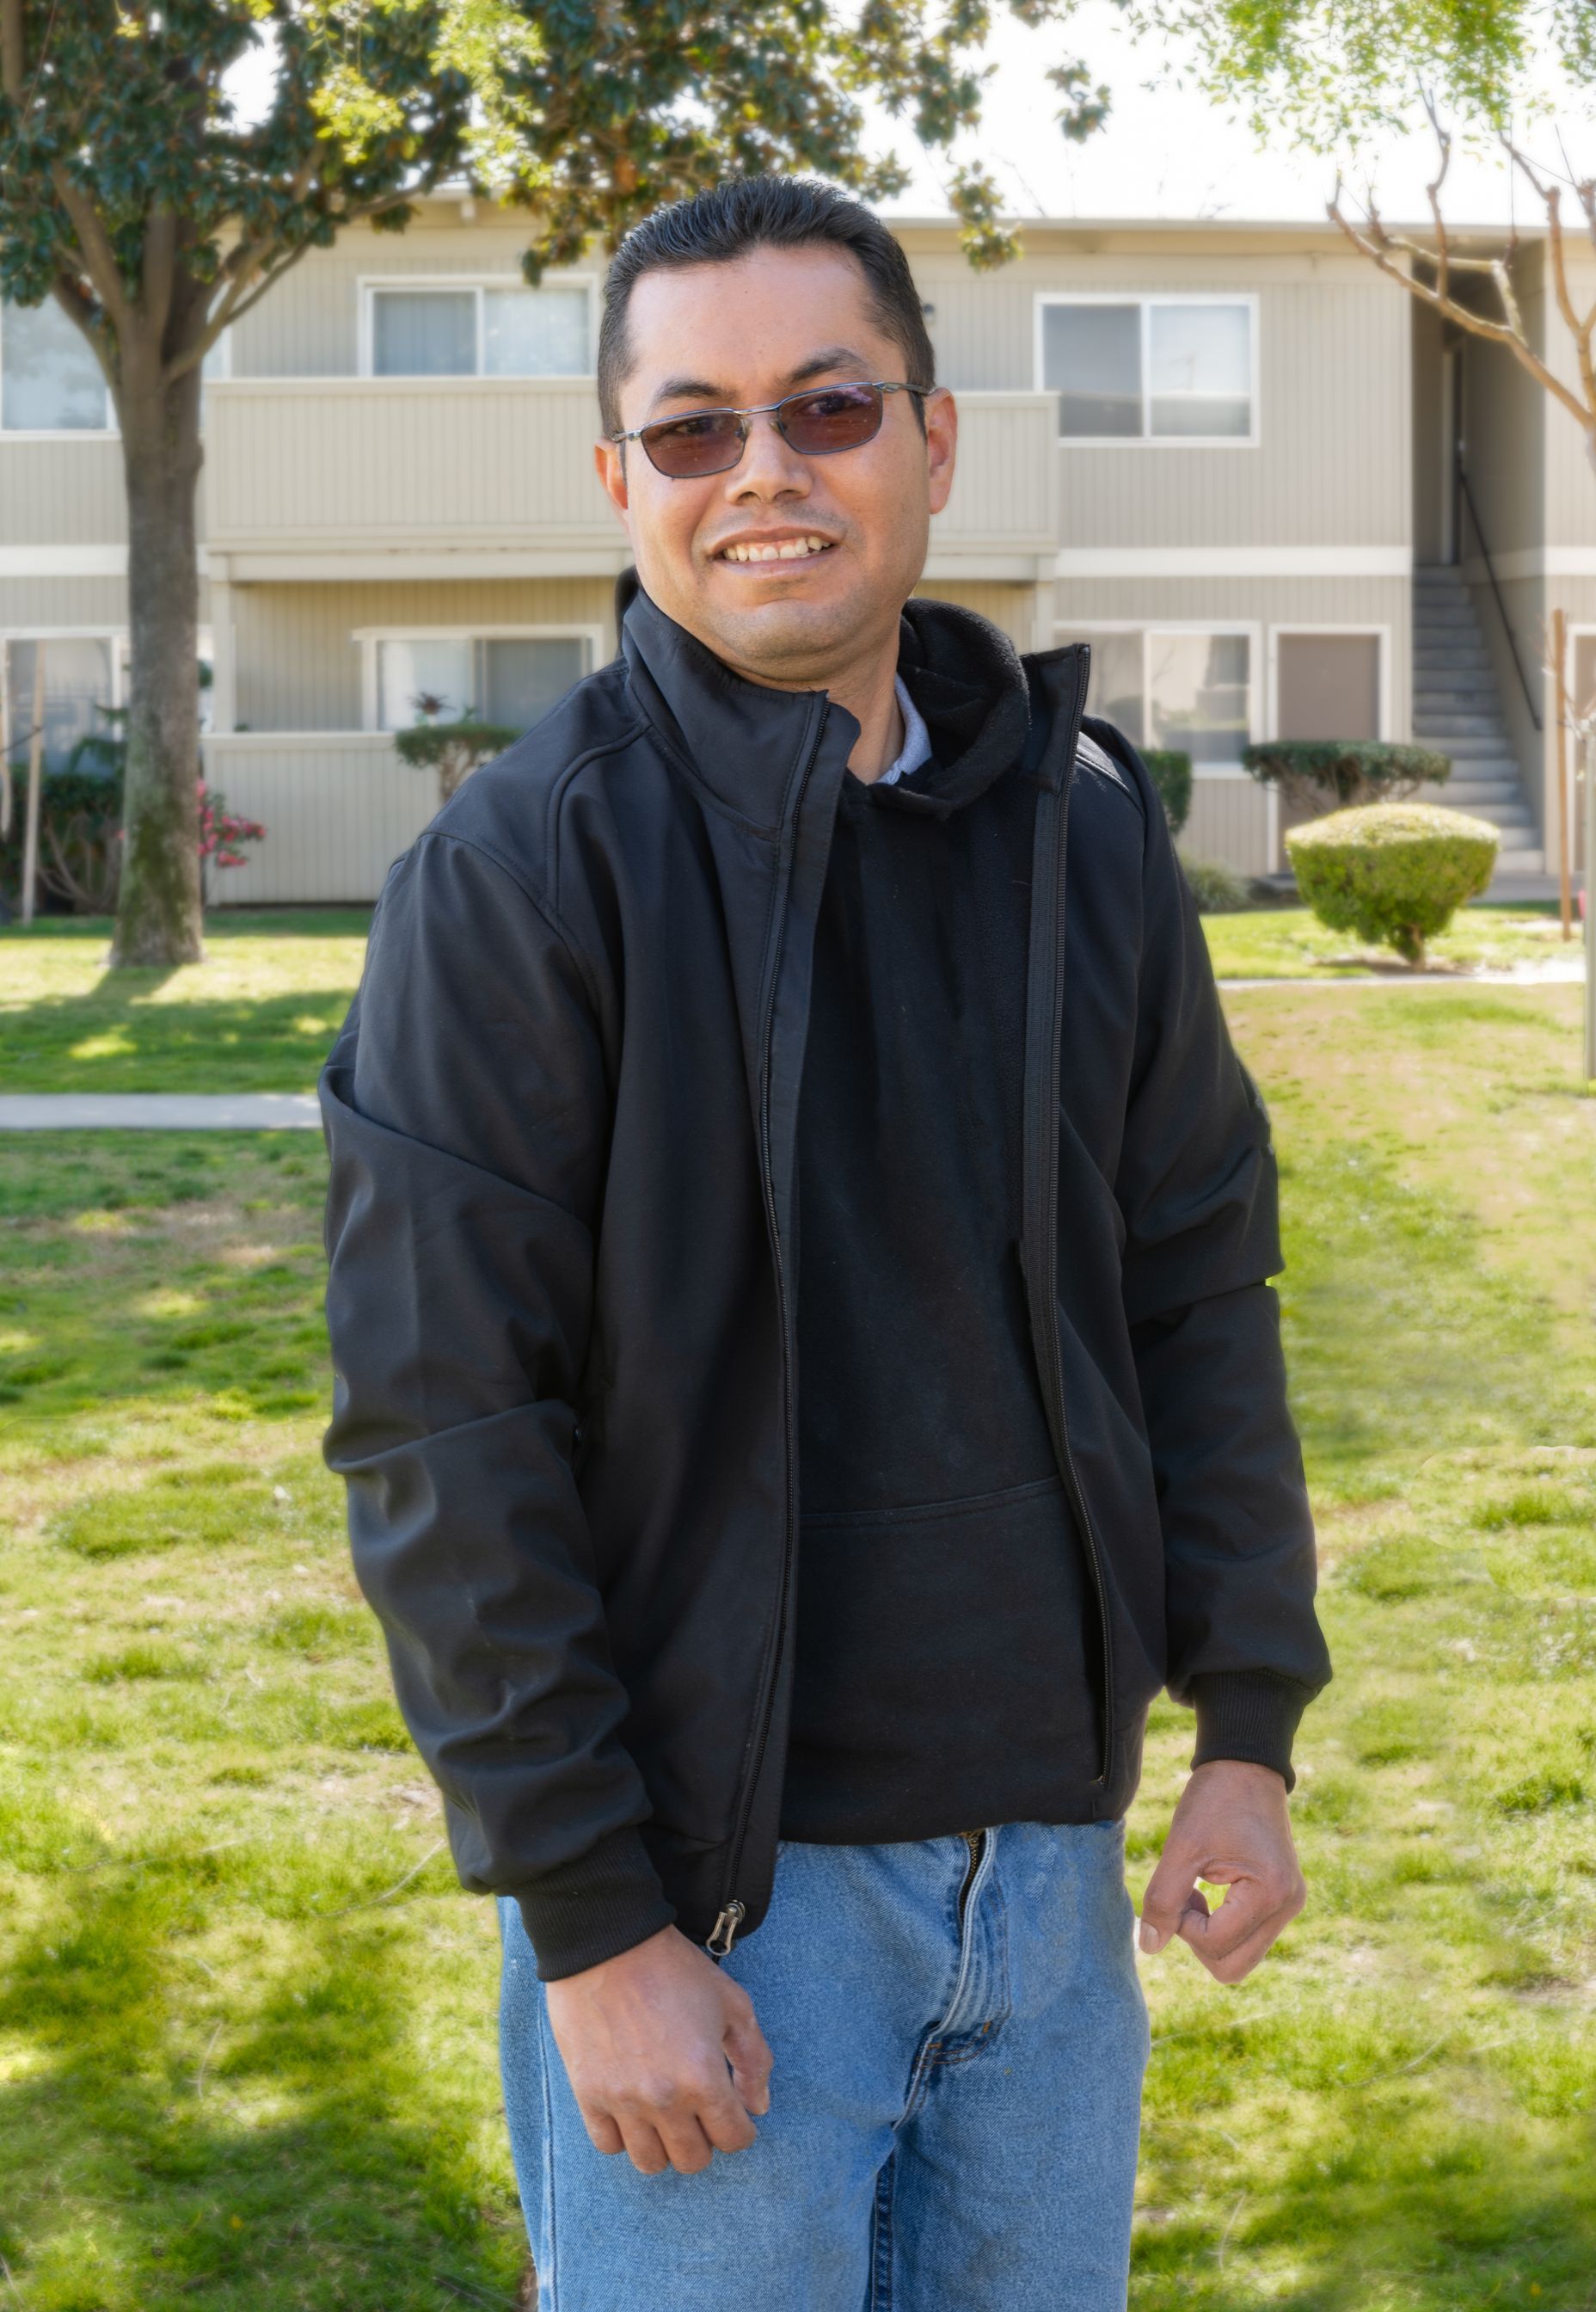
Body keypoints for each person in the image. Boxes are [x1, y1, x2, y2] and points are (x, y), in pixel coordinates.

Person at [320, 175, 1331, 2312]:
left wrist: (1245, 1722)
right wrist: (594, 1929)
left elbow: (1195, 1289)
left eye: (826, 408)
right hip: (719, 1908)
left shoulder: (1086, 836)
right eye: (694, 429)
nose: (762, 474)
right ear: (621, 482)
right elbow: (445, 1429)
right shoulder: (521, 878)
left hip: (1049, 1902)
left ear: (932, 442)